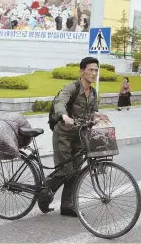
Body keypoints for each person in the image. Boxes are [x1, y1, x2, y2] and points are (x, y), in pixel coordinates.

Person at [39, 57, 99, 217]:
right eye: (91, 70)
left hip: (79, 137)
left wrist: (98, 118)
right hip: (63, 135)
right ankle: (43, 194)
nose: (94, 73)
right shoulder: (71, 88)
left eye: (96, 70)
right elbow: (60, 102)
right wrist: (64, 116)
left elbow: (93, 113)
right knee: (65, 170)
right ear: (82, 71)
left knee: (76, 171)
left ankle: (67, 206)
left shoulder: (93, 93)